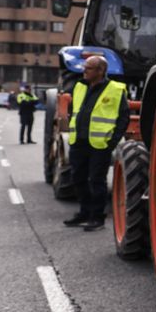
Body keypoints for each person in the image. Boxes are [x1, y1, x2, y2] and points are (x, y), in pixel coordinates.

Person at [62, 56, 129, 232]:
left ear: (100, 71)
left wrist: (112, 142)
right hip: (79, 142)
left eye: (89, 68)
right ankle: (84, 213)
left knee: (97, 181)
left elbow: (123, 118)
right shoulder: (79, 87)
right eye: (85, 67)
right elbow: (73, 111)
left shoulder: (115, 89)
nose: (84, 70)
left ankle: (97, 217)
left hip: (100, 144)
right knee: (78, 178)